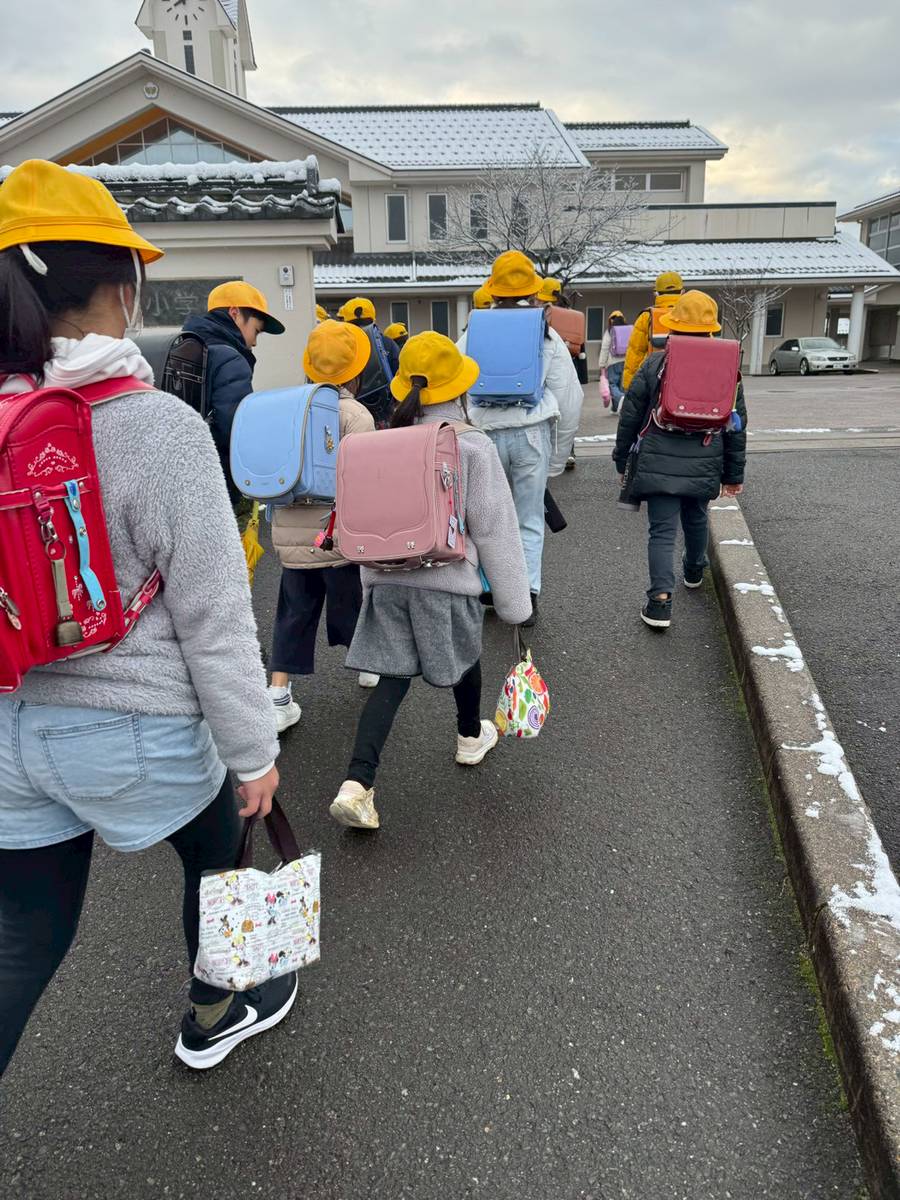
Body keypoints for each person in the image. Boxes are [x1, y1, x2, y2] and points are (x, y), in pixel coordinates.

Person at [0, 159, 290, 1077]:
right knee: (219, 853)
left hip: (7, 727)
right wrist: (254, 752)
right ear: (123, 286)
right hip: (133, 727)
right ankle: (216, 1011)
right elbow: (214, 617)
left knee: (22, 937)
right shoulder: (156, 425)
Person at [328, 332, 532, 830]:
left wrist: (372, 581)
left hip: (387, 579)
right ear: (459, 387)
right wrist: (514, 606)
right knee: (466, 656)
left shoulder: (381, 440)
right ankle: (469, 736)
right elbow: (495, 529)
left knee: (392, 680)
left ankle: (357, 784)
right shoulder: (472, 446)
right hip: (446, 581)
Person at [459, 250, 583, 625]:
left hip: (484, 435)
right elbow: (570, 397)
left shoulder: (473, 331)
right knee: (528, 519)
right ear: (533, 292)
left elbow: (454, 382)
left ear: (493, 290)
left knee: (484, 517)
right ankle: (525, 597)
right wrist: (558, 457)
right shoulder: (545, 333)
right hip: (531, 433)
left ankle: (489, 587)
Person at [267, 320, 378, 733]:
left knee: (292, 614)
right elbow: (364, 482)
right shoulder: (356, 415)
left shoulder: (287, 408)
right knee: (352, 603)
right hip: (336, 534)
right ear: (355, 371)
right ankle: (367, 664)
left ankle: (278, 696)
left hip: (291, 535)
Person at [613, 291, 747, 631]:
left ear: (672, 326)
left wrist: (621, 459)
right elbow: (737, 425)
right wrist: (733, 474)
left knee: (662, 531)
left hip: (659, 459)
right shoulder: (728, 366)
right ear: (712, 328)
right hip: (705, 457)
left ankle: (660, 603)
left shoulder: (656, 363)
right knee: (696, 517)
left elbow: (630, 415)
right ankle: (694, 570)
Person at [182, 281, 285, 505]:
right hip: (217, 483)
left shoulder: (185, 348)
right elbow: (235, 430)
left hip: (183, 473)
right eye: (256, 331)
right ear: (235, 313)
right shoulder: (230, 359)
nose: (254, 342)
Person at [337, 296, 399, 428]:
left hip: (351, 416)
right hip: (384, 416)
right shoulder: (389, 344)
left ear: (346, 323)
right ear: (374, 320)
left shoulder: (341, 347)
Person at [621, 271, 685, 391]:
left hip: (653, 383)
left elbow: (635, 354)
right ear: (682, 292)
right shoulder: (692, 315)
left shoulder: (646, 317)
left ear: (656, 293)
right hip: (685, 381)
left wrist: (629, 386)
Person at [599, 310, 628, 414]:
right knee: (622, 385)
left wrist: (602, 364)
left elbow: (605, 349)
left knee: (612, 385)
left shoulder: (609, 331)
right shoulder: (628, 330)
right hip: (626, 361)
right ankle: (616, 408)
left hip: (613, 362)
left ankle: (621, 398)